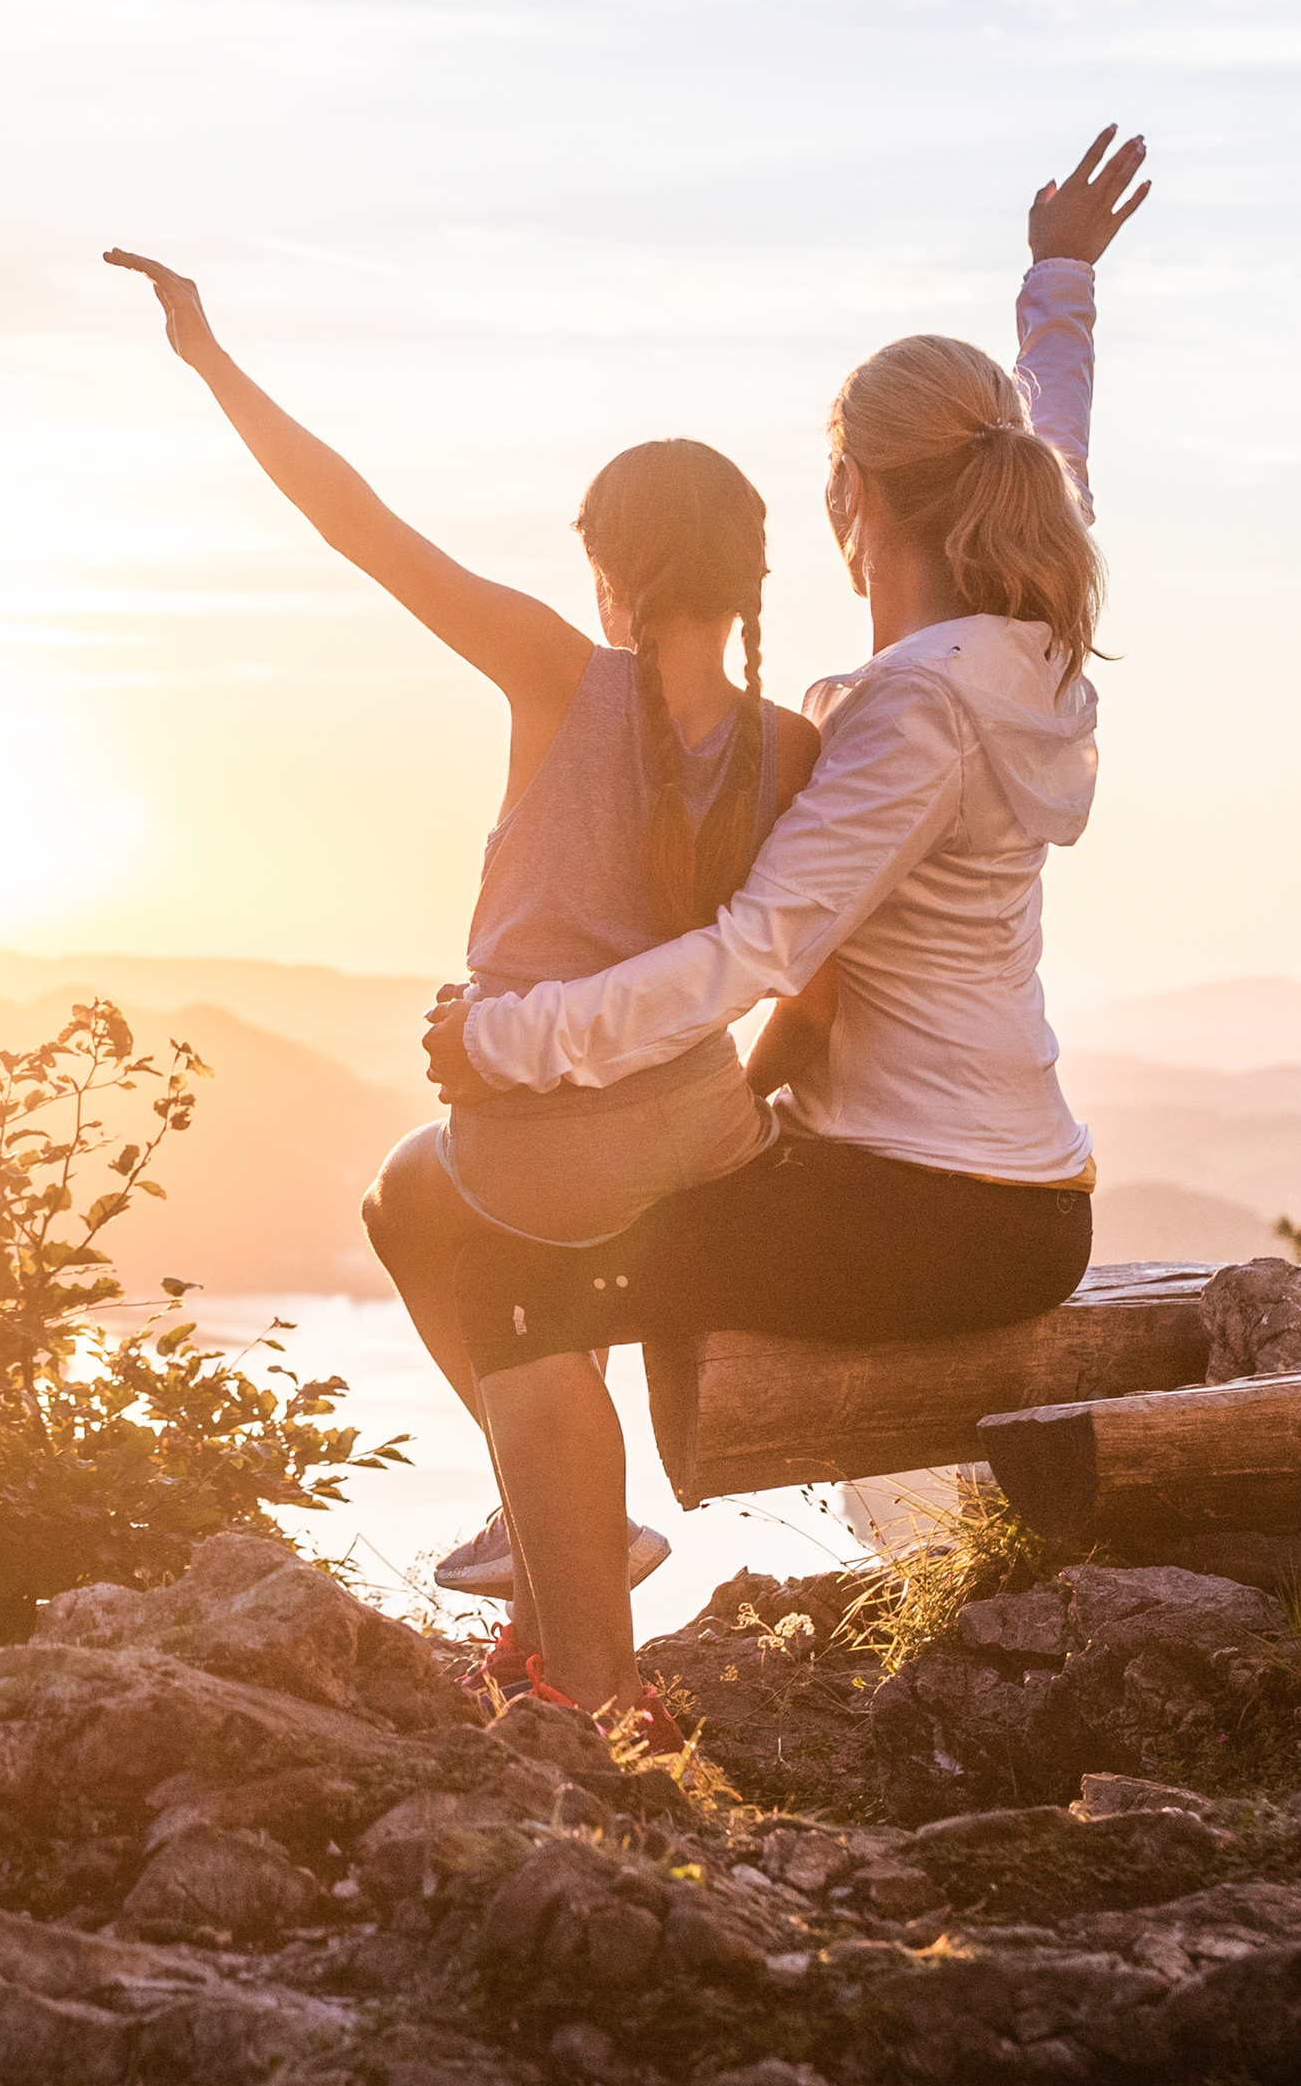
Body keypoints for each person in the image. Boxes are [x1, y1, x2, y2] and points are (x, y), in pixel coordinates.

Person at [388, 126, 1150, 1732]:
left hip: (924, 1201)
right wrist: (1058, 284)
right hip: (1016, 1185)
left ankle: (592, 1703)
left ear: (848, 499)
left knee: (502, 1250)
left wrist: (506, 1039)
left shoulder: (909, 718)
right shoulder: (1029, 647)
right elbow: (1061, 456)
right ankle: (568, 1580)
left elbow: (750, 949)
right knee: (449, 1202)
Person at [99, 250, 817, 1668]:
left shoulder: (558, 667)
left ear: (611, 574)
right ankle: (561, 1555)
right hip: (705, 1131)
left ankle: (570, 1551)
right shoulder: (793, 744)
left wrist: (209, 357)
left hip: (538, 1136)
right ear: (748, 577)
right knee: (550, 1250)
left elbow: (356, 523)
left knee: (409, 1201)